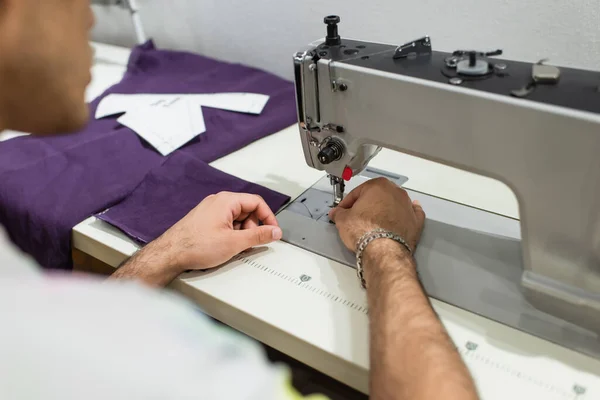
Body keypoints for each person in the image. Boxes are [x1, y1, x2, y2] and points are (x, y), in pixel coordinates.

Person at [0, 1, 479, 399]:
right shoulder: (170, 375)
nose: (89, 15)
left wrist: (163, 254)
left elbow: (67, 339)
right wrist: (382, 244)